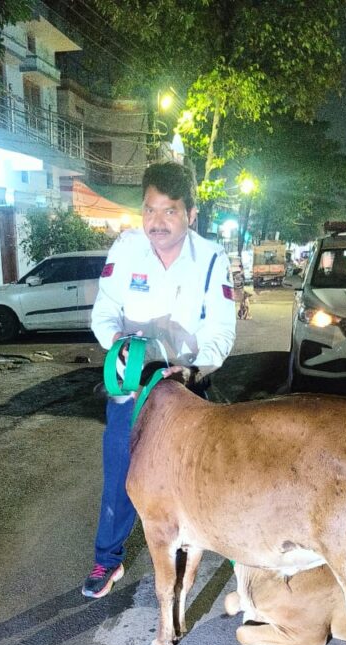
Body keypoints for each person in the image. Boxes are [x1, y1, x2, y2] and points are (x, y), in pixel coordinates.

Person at [82, 161, 237, 599]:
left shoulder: (210, 259)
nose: (157, 222)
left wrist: (196, 367)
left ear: (190, 214)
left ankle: (237, 553)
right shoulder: (127, 248)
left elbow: (220, 330)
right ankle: (107, 561)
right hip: (132, 381)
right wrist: (118, 341)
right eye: (150, 210)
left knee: (205, 474)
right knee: (120, 470)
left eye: (170, 211)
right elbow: (104, 310)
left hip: (187, 382)